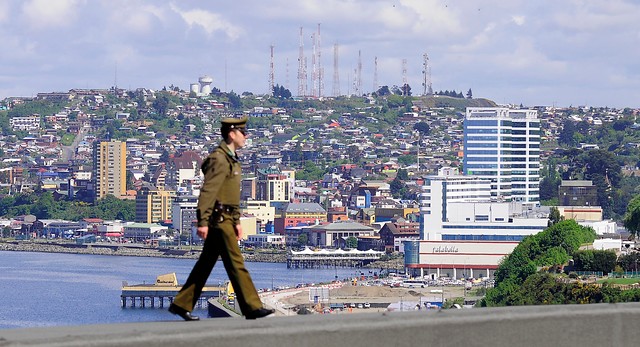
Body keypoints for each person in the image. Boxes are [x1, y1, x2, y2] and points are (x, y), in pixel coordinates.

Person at [169, 116, 274, 321]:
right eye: (243, 132)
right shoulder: (219, 159)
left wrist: (236, 221)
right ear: (232, 134)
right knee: (236, 262)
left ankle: (181, 304)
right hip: (219, 220)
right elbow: (208, 192)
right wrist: (203, 221)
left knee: (206, 264)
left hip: (227, 219)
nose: (246, 136)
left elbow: (230, 196)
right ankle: (252, 307)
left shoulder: (231, 160)